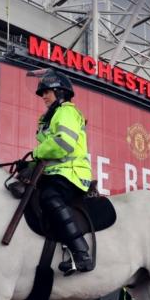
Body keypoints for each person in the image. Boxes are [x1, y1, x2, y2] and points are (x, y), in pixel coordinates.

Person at [28, 68, 93, 275]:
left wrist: (36, 152)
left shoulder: (66, 112)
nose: (43, 96)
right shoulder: (50, 116)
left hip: (72, 173)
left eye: (46, 91)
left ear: (60, 92)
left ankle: (81, 252)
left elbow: (63, 143)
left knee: (48, 197)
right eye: (42, 93)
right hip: (57, 172)